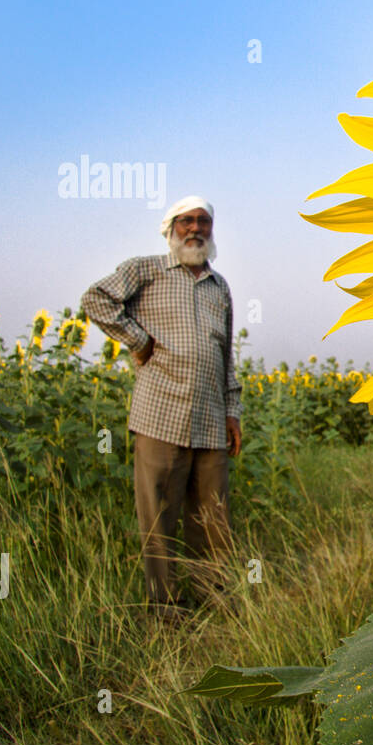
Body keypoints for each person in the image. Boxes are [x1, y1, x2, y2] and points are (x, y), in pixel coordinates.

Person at [81, 196, 242, 622]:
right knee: (159, 515)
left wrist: (233, 410)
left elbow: (226, 354)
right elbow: (96, 299)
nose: (195, 229)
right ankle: (166, 609)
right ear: (170, 228)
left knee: (214, 516)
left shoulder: (218, 286)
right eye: (186, 221)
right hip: (160, 413)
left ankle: (217, 599)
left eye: (203, 222)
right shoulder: (146, 269)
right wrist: (139, 340)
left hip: (210, 417)